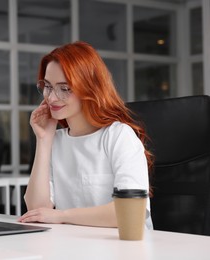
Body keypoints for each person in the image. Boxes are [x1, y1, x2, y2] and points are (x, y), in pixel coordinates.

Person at [18, 41, 153, 229]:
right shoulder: (55, 141)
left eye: (64, 88)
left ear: (89, 88)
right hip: (74, 247)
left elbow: (130, 211)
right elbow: (37, 211)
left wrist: (62, 216)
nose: (51, 98)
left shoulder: (118, 136)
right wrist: (43, 140)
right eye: (48, 86)